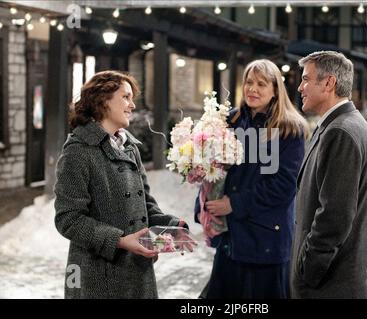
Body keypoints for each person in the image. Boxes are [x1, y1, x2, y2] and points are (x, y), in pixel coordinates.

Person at [54, 71, 190, 298]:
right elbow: (68, 219)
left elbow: (144, 204)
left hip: (137, 272)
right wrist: (118, 240)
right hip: (96, 277)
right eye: (126, 97)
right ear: (103, 100)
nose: (132, 105)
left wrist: (172, 226)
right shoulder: (78, 151)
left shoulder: (129, 148)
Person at [196, 59, 309, 298]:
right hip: (232, 238)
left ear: (275, 90)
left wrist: (234, 203)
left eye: (261, 84)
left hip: (266, 240)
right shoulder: (231, 121)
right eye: (249, 82)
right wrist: (204, 204)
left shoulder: (289, 129)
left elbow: (284, 186)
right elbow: (217, 170)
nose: (252, 89)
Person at [290, 51, 367, 299]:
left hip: (333, 286)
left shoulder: (340, 132)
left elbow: (334, 218)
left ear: (329, 83)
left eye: (306, 79)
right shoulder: (340, 125)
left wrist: (306, 271)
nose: (300, 87)